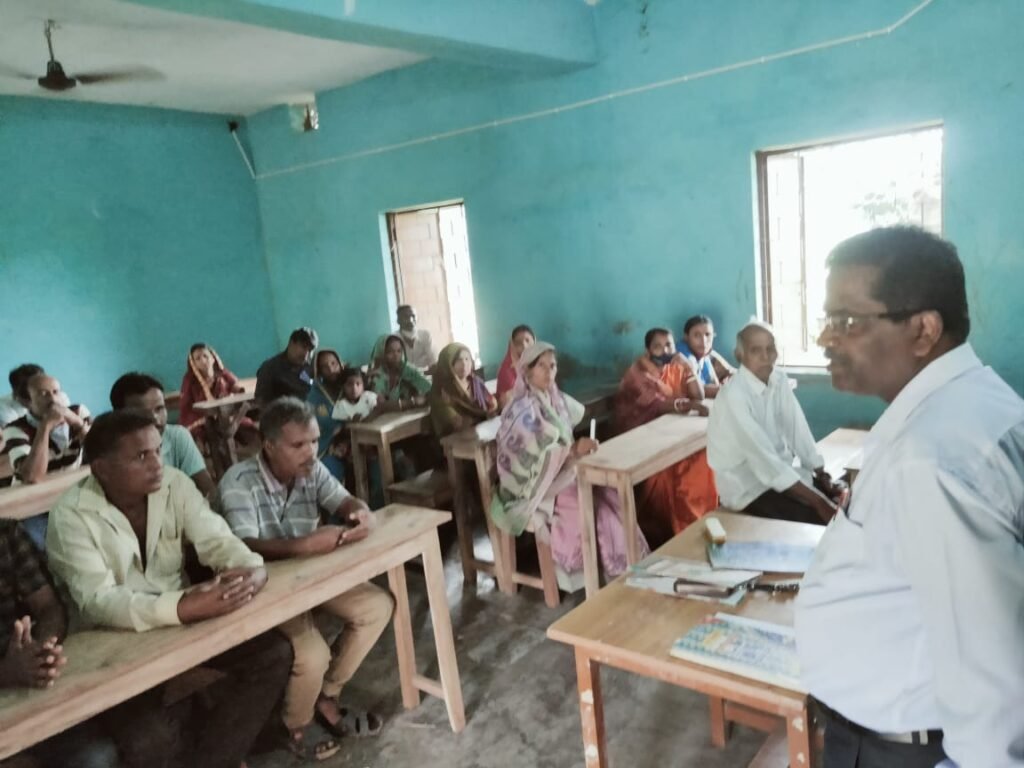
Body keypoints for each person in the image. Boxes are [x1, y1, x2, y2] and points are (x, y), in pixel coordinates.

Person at [795, 226, 1024, 768]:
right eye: (826, 320)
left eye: (847, 322)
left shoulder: (929, 460)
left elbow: (989, 683)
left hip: (898, 750)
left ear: (923, 330)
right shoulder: (977, 402)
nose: (825, 338)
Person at [44, 410, 292, 768]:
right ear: (102, 469)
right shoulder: (71, 515)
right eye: (141, 456)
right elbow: (98, 601)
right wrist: (181, 607)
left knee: (273, 654)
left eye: (158, 450)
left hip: (181, 623)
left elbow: (218, 539)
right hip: (112, 641)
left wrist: (252, 570)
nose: (157, 463)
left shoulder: (174, 484)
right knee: (150, 738)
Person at [216, 398, 394, 761]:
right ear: (269, 446)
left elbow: (344, 501)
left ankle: (326, 695)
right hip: (262, 587)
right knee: (312, 653)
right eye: (298, 444)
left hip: (309, 575)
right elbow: (242, 546)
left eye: (313, 441)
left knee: (376, 606)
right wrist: (303, 545)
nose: (311, 451)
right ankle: (296, 725)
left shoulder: (312, 468)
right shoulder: (238, 482)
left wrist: (361, 514)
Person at [490, 341, 648, 580]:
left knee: (610, 494)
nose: (549, 372)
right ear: (527, 371)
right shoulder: (521, 410)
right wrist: (572, 450)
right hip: (530, 487)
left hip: (561, 472)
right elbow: (527, 458)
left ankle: (624, 564)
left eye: (552, 366)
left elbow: (564, 438)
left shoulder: (555, 399)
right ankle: (595, 568)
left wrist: (576, 452)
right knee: (587, 503)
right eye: (541, 366)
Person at [0, 519, 121, 768]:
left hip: (22, 685)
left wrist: (41, 652)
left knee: (96, 757)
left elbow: (49, 607)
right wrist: (6, 673)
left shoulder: (6, 534)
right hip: (10, 678)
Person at [706, 320, 841, 524]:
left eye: (770, 348)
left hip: (779, 474)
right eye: (755, 350)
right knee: (816, 519)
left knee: (841, 501)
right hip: (746, 487)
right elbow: (764, 460)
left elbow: (797, 429)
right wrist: (819, 502)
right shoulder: (733, 396)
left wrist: (820, 472)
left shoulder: (778, 380)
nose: (765, 356)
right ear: (740, 356)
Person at [615, 328, 717, 545]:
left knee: (702, 458)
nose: (665, 351)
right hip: (640, 440)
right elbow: (657, 405)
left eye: (669, 345)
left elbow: (698, 394)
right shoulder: (639, 373)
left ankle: (699, 520)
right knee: (672, 471)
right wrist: (688, 405)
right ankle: (672, 531)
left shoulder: (675, 365)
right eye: (658, 347)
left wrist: (687, 367)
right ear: (648, 350)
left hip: (670, 432)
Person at [109, 372, 215, 497]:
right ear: (120, 416)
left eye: (159, 409)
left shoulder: (177, 437)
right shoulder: (111, 451)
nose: (155, 418)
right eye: (142, 413)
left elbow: (208, 491)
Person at [2, 373, 90, 485]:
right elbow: (32, 477)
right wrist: (45, 427)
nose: (53, 399)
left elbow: (103, 453)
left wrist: (78, 423)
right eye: (43, 394)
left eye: (55, 392)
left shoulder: (78, 412)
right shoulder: (14, 429)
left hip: (70, 484)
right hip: (32, 492)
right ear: (27, 402)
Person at [178, 343, 249, 442]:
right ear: (194, 363)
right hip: (201, 418)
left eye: (205, 356)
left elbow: (236, 387)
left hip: (226, 415)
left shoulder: (222, 373)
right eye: (198, 359)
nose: (203, 361)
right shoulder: (189, 380)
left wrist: (237, 390)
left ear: (213, 358)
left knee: (247, 426)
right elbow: (186, 406)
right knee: (207, 431)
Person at [428, 342, 497, 439]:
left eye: (467, 359)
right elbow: (452, 423)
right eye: (458, 360)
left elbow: (491, 404)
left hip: (482, 432)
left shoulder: (476, 382)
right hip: (455, 439)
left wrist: (491, 410)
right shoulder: (441, 390)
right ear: (447, 364)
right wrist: (480, 417)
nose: (464, 364)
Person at [307, 349, 347, 481]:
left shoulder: (351, 384)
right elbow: (318, 424)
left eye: (333, 363)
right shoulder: (314, 396)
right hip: (328, 447)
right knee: (328, 471)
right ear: (318, 371)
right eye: (325, 367)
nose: (331, 369)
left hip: (357, 440)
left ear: (340, 364)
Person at [254, 327, 318, 404]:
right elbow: (261, 401)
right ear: (291, 343)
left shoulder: (313, 368)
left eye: (310, 350)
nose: (306, 355)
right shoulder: (270, 367)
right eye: (303, 347)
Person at [678, 315, 735, 398]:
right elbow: (697, 390)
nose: (703, 340)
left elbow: (730, 372)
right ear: (686, 337)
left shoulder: (705, 353)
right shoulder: (683, 356)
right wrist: (728, 390)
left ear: (713, 336)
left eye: (707, 334)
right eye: (697, 335)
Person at [367, 334, 430, 407]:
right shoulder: (376, 375)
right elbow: (381, 405)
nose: (396, 355)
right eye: (390, 351)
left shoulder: (406, 369)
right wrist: (411, 402)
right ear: (381, 353)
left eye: (399, 351)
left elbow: (429, 388)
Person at [495, 325, 535, 410]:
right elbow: (506, 403)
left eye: (527, 340)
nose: (524, 345)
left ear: (534, 341)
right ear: (513, 346)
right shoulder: (506, 370)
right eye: (518, 343)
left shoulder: (540, 363)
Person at [395, 305, 436, 371]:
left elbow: (433, 360)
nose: (410, 320)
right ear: (398, 320)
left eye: (413, 316)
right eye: (406, 316)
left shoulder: (425, 335)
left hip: (426, 375)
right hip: (403, 376)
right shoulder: (393, 338)